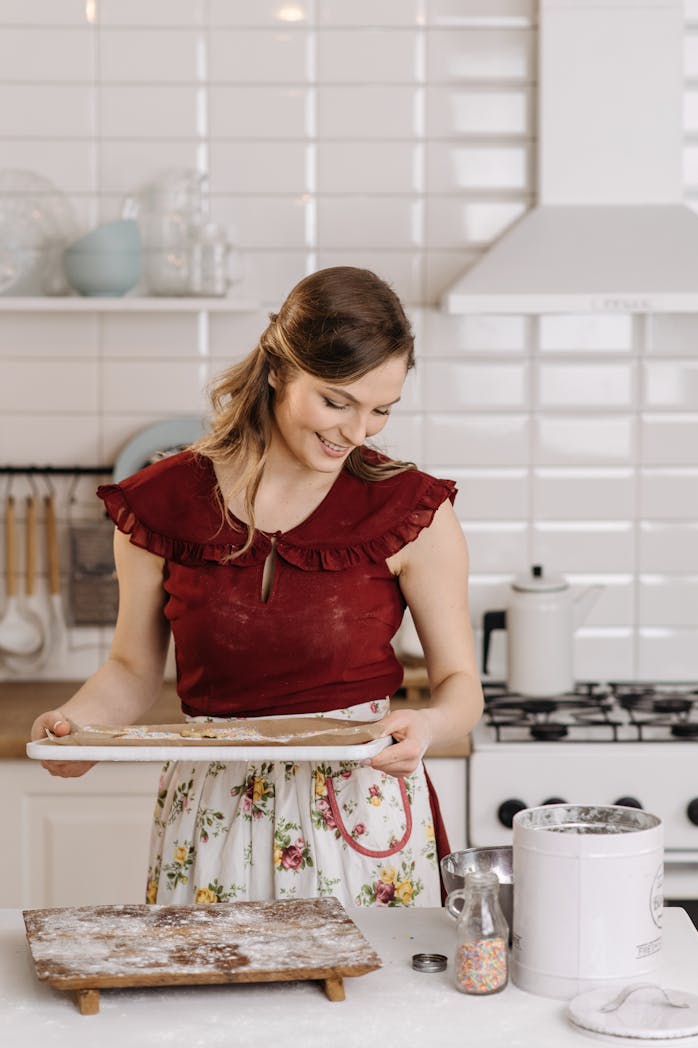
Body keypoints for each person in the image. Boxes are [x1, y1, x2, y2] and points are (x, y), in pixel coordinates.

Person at [31, 266, 483, 910]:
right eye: (336, 401)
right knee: (215, 1002)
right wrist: (78, 727)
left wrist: (429, 724)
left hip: (359, 805)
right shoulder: (161, 503)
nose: (357, 433)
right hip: (214, 812)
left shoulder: (413, 509)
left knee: (369, 1008)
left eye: (380, 409)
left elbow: (461, 686)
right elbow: (132, 668)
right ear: (278, 370)